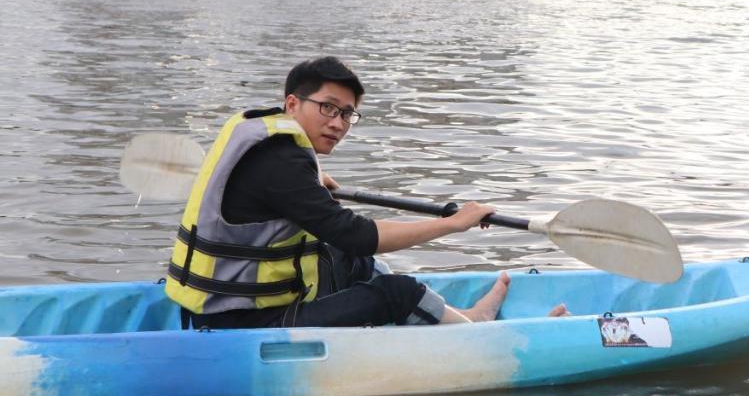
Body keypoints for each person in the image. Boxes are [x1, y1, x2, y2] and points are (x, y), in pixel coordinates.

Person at [165, 56, 567, 329]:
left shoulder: (267, 137)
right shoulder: (282, 164)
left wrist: (312, 184)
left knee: (349, 257)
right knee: (395, 289)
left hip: (222, 307)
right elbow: (360, 233)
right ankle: (477, 334)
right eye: (328, 108)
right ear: (292, 103)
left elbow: (270, 191)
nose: (338, 123)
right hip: (242, 324)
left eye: (347, 114)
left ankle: (459, 318)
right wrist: (451, 224)